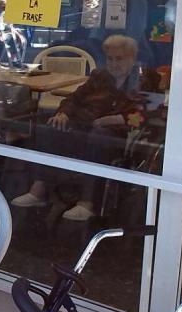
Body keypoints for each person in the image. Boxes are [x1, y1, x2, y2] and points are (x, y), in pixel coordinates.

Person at [11, 34, 145, 220]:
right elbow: (73, 98)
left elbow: (146, 113)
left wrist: (116, 119)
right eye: (110, 58)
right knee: (48, 128)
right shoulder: (100, 75)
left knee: (99, 135)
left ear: (132, 57)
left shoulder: (141, 79)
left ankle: (87, 203)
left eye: (119, 59)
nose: (114, 63)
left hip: (116, 136)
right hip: (83, 126)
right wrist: (63, 113)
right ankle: (39, 191)